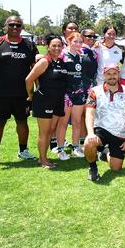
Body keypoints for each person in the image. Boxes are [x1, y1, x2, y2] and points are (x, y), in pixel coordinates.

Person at [0, 15, 39, 167]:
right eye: (11, 24)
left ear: (22, 27)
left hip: (23, 94)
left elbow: (36, 70)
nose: (15, 27)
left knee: (22, 122)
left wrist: (37, 91)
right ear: (6, 26)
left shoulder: (30, 45)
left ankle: (23, 150)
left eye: (18, 25)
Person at [83, 64, 125, 182]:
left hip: (120, 133)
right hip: (101, 129)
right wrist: (91, 133)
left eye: (114, 74)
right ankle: (93, 168)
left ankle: (104, 153)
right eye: (109, 74)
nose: (112, 76)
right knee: (88, 143)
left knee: (116, 168)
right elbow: (89, 113)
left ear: (118, 75)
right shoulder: (95, 91)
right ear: (104, 75)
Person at [25, 34, 68, 169]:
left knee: (51, 130)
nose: (56, 48)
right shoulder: (44, 61)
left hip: (57, 100)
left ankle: (44, 157)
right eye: (53, 45)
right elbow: (28, 79)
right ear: (48, 46)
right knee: (44, 132)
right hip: (44, 101)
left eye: (59, 45)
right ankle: (43, 160)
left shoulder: (61, 61)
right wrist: (31, 95)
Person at [55, 32, 88, 160]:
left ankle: (75, 147)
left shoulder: (81, 56)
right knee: (63, 122)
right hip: (66, 94)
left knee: (77, 122)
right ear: (69, 41)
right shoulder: (62, 54)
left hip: (79, 93)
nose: (78, 44)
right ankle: (61, 149)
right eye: (75, 41)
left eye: (80, 42)